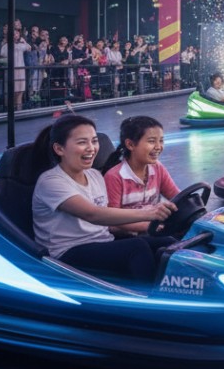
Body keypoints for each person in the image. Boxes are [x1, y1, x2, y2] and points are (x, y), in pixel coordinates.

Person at [31, 115, 176, 281]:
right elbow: (93, 214)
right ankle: (149, 301)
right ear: (59, 149)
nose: (91, 148)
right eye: (82, 142)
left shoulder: (94, 175)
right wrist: (150, 214)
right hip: (66, 252)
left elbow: (108, 217)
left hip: (102, 242)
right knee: (137, 247)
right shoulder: (51, 181)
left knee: (169, 243)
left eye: (94, 141)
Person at [102, 116, 180, 236]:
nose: (158, 147)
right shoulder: (114, 177)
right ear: (130, 144)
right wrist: (148, 226)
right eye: (152, 141)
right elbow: (112, 221)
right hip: (129, 236)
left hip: (155, 228)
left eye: (161, 141)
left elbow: (176, 196)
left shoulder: (157, 168)